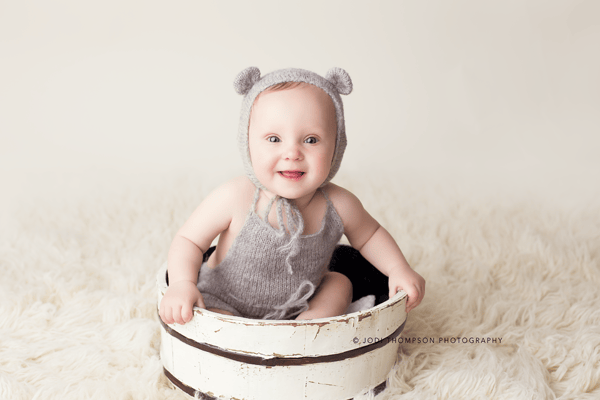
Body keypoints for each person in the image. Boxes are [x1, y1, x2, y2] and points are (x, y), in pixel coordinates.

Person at [159, 67, 425, 325]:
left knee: (340, 282)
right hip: (225, 300)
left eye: (311, 140)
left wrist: (398, 269)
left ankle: (310, 326)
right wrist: (182, 284)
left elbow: (370, 236)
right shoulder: (236, 196)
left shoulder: (340, 204)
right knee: (215, 321)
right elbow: (189, 241)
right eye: (274, 139)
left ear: (336, 146)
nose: (292, 153)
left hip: (300, 303)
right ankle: (235, 330)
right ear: (248, 143)